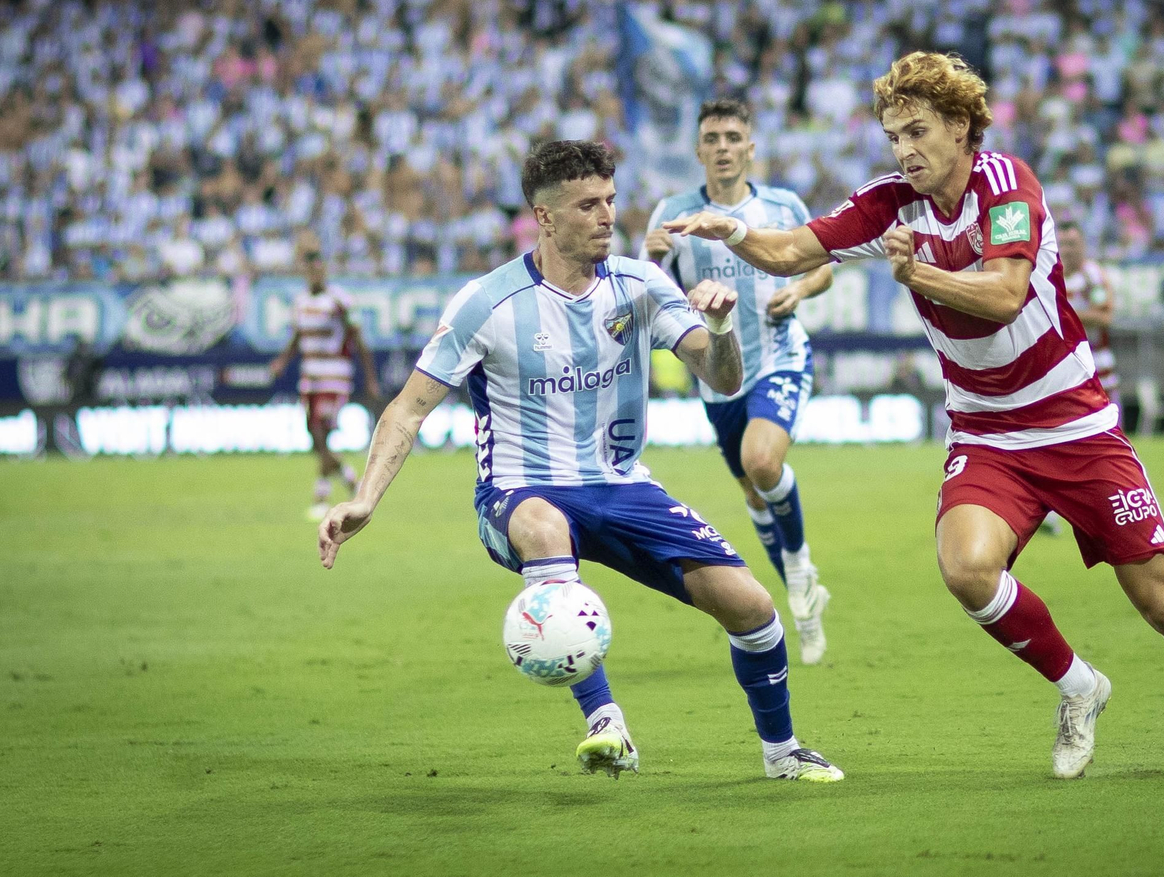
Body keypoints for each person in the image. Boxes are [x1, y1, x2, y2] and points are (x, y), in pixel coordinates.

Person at [666, 52, 1164, 776]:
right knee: (966, 568)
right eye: (893, 133)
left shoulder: (1007, 183)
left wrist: (915, 272)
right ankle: (1078, 686)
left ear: (961, 125)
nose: (904, 148)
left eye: (918, 129)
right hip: (988, 432)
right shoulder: (886, 202)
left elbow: (1002, 296)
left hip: (1075, 425)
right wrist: (733, 233)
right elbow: (790, 251)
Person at [317, 140, 842, 783]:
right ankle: (604, 721)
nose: (606, 217)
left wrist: (723, 328)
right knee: (545, 527)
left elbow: (723, 377)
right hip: (518, 492)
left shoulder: (641, 284)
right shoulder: (487, 303)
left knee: (752, 606)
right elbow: (406, 410)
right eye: (587, 205)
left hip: (619, 485)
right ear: (544, 217)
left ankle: (783, 754)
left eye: (610, 202)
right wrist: (365, 498)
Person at [645, 99, 836, 664]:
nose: (723, 147)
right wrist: (648, 256)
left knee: (762, 462)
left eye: (733, 136)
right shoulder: (674, 213)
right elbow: (651, 289)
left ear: (750, 146)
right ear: (699, 150)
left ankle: (799, 569)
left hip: (778, 354)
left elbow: (822, 264)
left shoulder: (781, 205)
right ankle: (804, 601)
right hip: (718, 376)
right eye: (712, 138)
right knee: (754, 492)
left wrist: (798, 290)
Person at [269, 242, 377, 520]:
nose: (315, 275)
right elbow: (296, 338)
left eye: (319, 270)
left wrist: (370, 378)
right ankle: (349, 481)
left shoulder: (340, 300)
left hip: (335, 376)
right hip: (310, 376)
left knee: (319, 430)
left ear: (324, 271)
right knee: (315, 436)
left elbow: (358, 341)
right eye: (311, 271)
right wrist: (282, 361)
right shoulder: (301, 302)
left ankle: (322, 495)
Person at [1056, 221, 1118, 403]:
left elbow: (1105, 317)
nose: (1067, 250)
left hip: (1096, 360)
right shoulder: (1050, 276)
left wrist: (1063, 314)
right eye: (1063, 244)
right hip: (1062, 363)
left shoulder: (1093, 276)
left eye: (1072, 244)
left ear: (1083, 244)